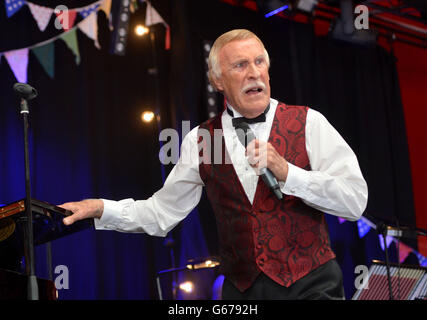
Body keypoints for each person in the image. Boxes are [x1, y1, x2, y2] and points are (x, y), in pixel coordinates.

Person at [59, 29, 368, 300]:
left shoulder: (308, 122)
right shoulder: (201, 140)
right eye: (240, 65)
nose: (254, 73)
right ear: (218, 80)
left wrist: (289, 173)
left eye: (259, 62)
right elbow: (160, 213)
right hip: (242, 292)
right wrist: (101, 208)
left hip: (312, 287)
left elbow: (354, 201)